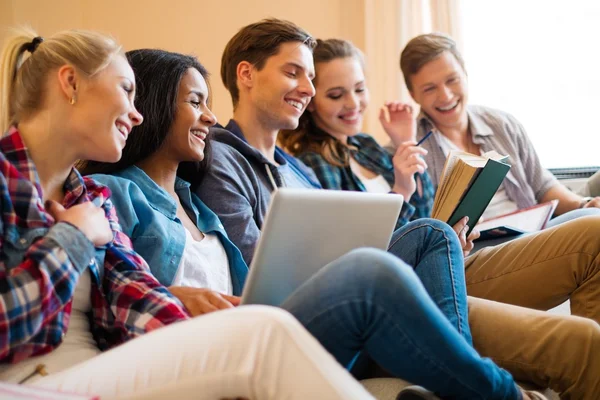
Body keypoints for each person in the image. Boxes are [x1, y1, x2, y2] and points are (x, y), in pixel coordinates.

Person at [79, 47, 543, 400]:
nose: (210, 116)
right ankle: (503, 394)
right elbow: (114, 294)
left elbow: (257, 280)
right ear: (156, 107)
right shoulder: (114, 193)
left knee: (431, 234)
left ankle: (454, 386)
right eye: (196, 102)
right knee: (368, 272)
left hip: (264, 321)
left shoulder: (196, 205)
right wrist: (173, 295)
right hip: (226, 347)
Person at [194, 20, 600, 398]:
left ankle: (450, 370)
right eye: (293, 73)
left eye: (311, 78)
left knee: (437, 234)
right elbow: (252, 271)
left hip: (385, 280)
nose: (307, 88)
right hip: (328, 309)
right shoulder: (223, 157)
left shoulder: (296, 168)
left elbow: (354, 240)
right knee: (429, 235)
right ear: (246, 75)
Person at [0, 28, 382, 400]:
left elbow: (137, 297)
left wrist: (214, 340)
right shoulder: (38, 191)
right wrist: (74, 239)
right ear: (71, 83)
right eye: (126, 91)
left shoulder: (90, 197)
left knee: (260, 332)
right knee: (263, 336)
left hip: (100, 371)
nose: (137, 116)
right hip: (28, 381)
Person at [399, 32, 600, 221]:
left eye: (452, 80)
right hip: (477, 250)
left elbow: (543, 187)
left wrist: (583, 205)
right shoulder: (408, 150)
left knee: (592, 217)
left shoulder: (502, 124)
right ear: (413, 94)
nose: (446, 96)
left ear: (466, 74)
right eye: (429, 88)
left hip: (534, 232)